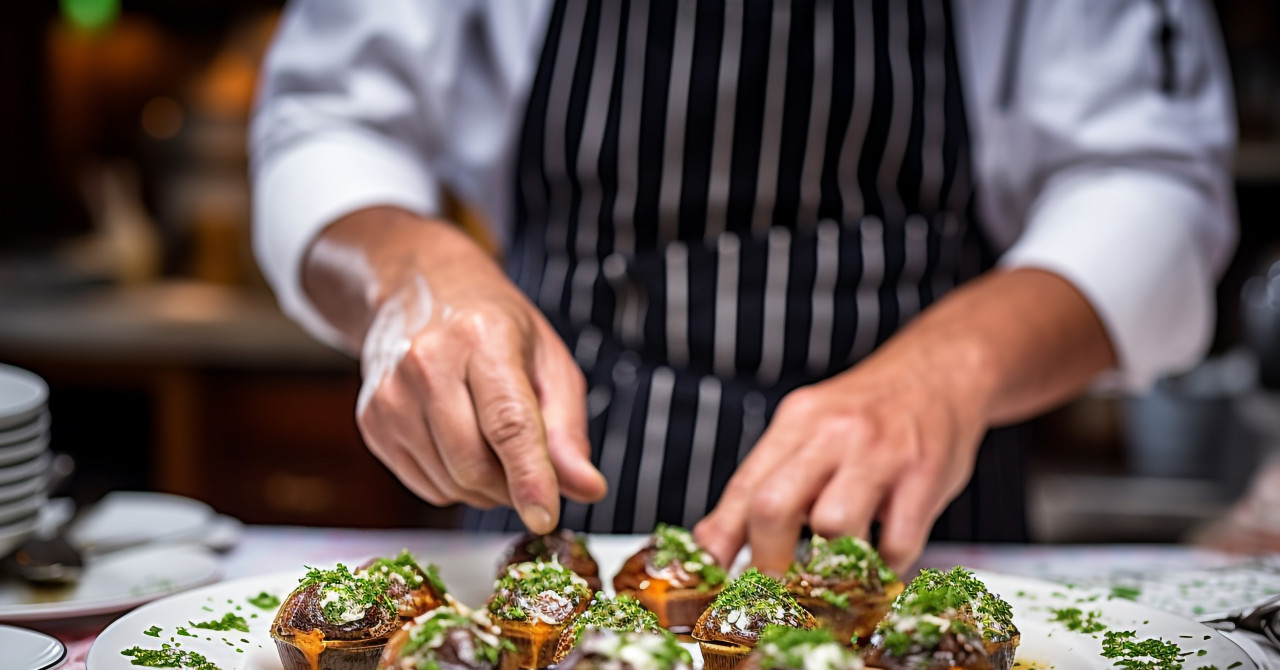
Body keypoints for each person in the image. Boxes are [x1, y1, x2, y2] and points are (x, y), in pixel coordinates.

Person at [249, 0, 1237, 573]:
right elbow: (328, 122)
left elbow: (1151, 184)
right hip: (553, 476)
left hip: (921, 518)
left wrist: (953, 369)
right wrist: (410, 275)